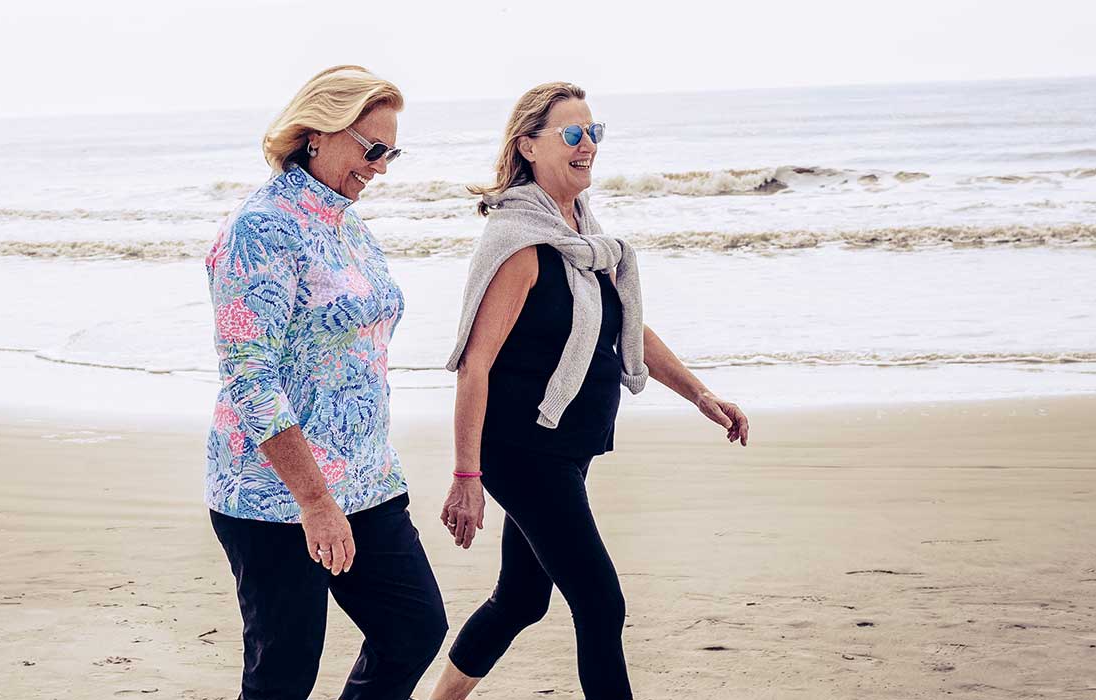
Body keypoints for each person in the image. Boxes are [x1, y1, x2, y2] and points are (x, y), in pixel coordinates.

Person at [432, 82, 751, 700]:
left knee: (521, 599)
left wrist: (702, 397)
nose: (588, 146)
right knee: (601, 603)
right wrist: (465, 479)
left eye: (594, 133)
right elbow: (475, 366)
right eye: (572, 134)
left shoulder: (581, 232)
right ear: (528, 145)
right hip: (522, 451)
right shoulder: (520, 243)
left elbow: (625, 324)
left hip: (566, 448)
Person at [204, 65, 447, 700]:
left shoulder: (348, 221)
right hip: (277, 495)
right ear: (318, 133)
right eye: (373, 149)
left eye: (391, 151)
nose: (383, 166)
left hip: (367, 480)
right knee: (283, 676)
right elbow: (248, 377)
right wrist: (314, 502)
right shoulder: (261, 228)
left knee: (415, 628)